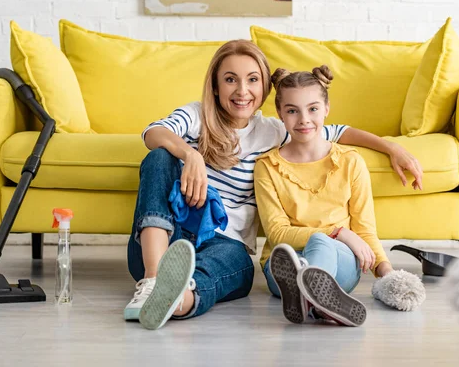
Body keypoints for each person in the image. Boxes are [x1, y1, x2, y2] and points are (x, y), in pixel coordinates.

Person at [125, 40, 423, 330]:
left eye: (252, 79)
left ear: (265, 87)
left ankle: (179, 300)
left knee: (233, 266)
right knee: (159, 157)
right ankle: (154, 280)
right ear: (215, 87)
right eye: (230, 80)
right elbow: (154, 131)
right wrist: (190, 154)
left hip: (224, 244)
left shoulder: (274, 131)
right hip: (170, 238)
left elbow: (334, 131)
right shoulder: (196, 116)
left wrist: (392, 148)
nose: (242, 90)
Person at [255, 66, 424, 327]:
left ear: (326, 108)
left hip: (341, 261)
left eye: (312, 109)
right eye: (292, 110)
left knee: (322, 244)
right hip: (283, 268)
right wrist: (337, 231)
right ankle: (316, 299)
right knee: (317, 243)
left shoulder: (350, 162)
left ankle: (307, 295)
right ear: (280, 114)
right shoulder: (267, 166)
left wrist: (386, 272)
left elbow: (365, 230)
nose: (303, 119)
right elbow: (277, 233)